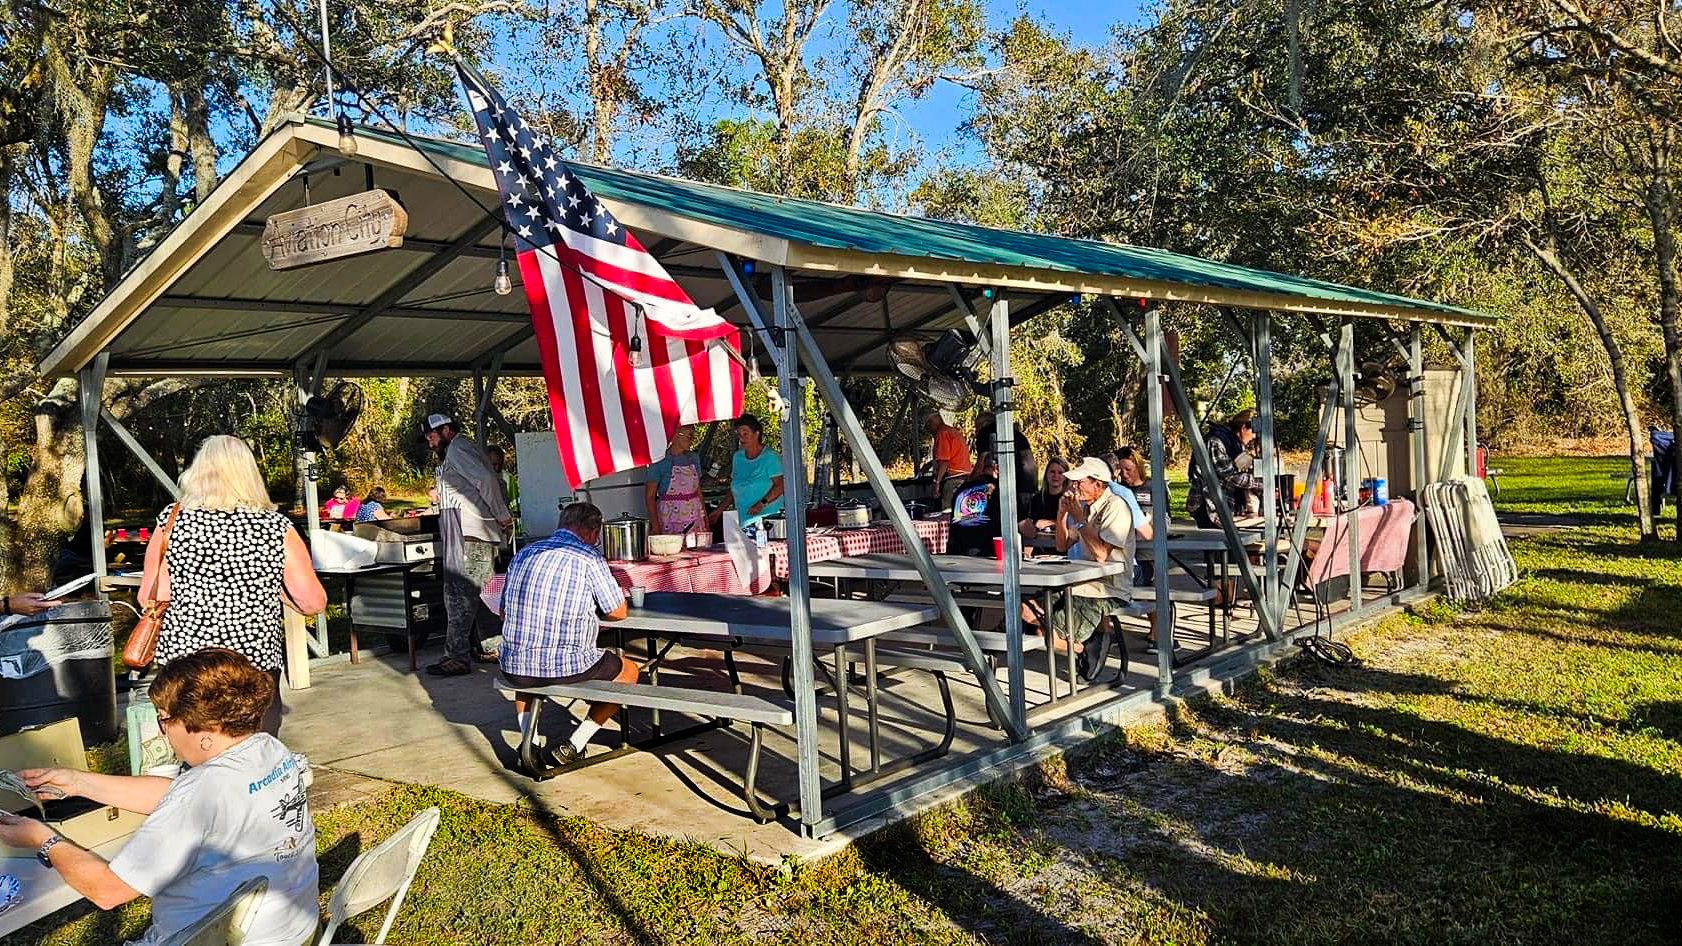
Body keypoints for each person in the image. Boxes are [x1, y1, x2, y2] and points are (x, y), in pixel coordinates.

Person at [0, 648, 319, 946]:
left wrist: (43, 839)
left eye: (164, 718)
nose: (162, 730)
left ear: (204, 732)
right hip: (296, 933)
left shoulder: (201, 792)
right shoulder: (268, 750)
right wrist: (79, 783)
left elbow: (107, 890)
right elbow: (181, 797)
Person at [140, 435, 327, 736]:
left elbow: (153, 595)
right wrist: (271, 587)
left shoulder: (171, 521)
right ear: (249, 474)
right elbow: (312, 602)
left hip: (187, 665)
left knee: (195, 755)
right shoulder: (275, 526)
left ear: (198, 470)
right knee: (252, 754)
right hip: (252, 665)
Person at [500, 502, 641, 765]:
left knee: (528, 675)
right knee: (629, 671)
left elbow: (504, 613)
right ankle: (576, 744)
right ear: (592, 531)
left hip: (514, 665)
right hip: (568, 665)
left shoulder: (523, 554)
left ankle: (529, 742)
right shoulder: (589, 557)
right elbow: (618, 612)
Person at [1027, 456, 1134, 679]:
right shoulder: (1086, 508)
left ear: (1098, 483)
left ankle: (1086, 645)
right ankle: (1085, 644)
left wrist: (1079, 518)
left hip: (1107, 588)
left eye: (1079, 482)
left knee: (1047, 634)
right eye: (1074, 482)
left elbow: (1102, 554)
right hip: (1079, 582)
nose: (1074, 486)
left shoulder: (1116, 508)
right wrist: (1061, 515)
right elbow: (1062, 544)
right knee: (1025, 608)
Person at [423, 414, 512, 677]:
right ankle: (492, 646)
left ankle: (457, 656)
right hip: (465, 528)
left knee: (459, 594)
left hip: (470, 530)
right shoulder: (455, 451)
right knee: (483, 593)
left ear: (446, 430)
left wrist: (502, 515)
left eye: (431, 436)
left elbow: (485, 479)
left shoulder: (459, 448)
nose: (430, 443)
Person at [709, 415, 784, 539]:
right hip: (743, 521)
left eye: (745, 433)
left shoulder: (771, 457)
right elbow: (735, 489)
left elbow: (780, 485)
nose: (741, 438)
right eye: (738, 434)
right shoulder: (737, 457)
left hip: (767, 523)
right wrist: (718, 511)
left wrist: (761, 504)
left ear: (756, 434)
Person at [1186, 410, 1261, 528]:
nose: (1254, 436)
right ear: (1243, 428)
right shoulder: (1216, 442)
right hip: (1209, 507)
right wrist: (1262, 483)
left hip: (1223, 507)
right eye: (1253, 432)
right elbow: (1231, 476)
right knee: (1218, 544)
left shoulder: (1234, 444)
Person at [644, 425, 705, 537]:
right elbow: (650, 496)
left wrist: (705, 520)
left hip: (695, 516)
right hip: (670, 517)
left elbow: (698, 492)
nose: (692, 440)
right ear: (675, 434)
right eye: (690, 436)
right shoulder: (659, 460)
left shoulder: (694, 458)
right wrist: (656, 525)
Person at [947, 451, 1002, 556]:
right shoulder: (999, 490)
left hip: (956, 550)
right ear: (996, 468)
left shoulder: (962, 488)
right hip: (985, 551)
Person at [924, 413, 972, 508]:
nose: (928, 431)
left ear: (931, 423)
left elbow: (944, 461)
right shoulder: (952, 431)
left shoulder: (942, 433)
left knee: (948, 512)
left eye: (927, 427)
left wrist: (936, 482)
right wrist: (930, 464)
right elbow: (950, 455)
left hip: (953, 479)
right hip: (964, 476)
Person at [1020, 457, 1068, 540]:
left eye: (1060, 473)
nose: (1055, 476)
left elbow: (1072, 525)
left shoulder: (1069, 499)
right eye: (1052, 472)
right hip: (1039, 546)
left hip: (1062, 547)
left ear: (1066, 477)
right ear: (1046, 474)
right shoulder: (1036, 499)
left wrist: (1049, 523)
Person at [488, 445, 519, 515]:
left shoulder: (508, 478)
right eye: (494, 464)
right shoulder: (479, 479)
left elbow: (515, 506)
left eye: (500, 464)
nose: (497, 468)